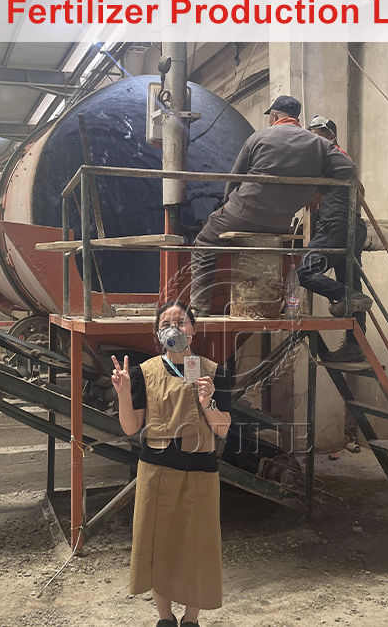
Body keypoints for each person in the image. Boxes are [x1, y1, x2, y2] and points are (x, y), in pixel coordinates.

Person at [111, 301, 232, 627]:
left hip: (200, 472)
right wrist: (124, 393)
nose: (173, 329)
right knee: (157, 546)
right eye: (165, 324)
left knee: (198, 547)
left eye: (180, 322)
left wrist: (208, 403)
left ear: (193, 329)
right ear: (157, 333)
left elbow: (222, 428)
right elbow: (130, 427)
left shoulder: (213, 372)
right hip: (156, 472)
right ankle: (165, 618)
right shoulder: (143, 372)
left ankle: (191, 619)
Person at [190, 95, 357, 317]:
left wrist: (227, 206)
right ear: (296, 118)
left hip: (242, 212)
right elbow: (348, 169)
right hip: (280, 222)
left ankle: (200, 307)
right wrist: (318, 190)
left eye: (271, 117)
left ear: (275, 116)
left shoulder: (258, 137)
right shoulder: (320, 144)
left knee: (204, 243)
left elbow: (233, 180)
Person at [297, 115, 373, 362]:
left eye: (317, 136)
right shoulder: (341, 159)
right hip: (351, 228)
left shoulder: (331, 156)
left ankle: (348, 296)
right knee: (350, 282)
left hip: (337, 227)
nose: (313, 142)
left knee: (304, 272)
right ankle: (355, 346)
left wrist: (318, 195)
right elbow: (360, 190)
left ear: (331, 136)